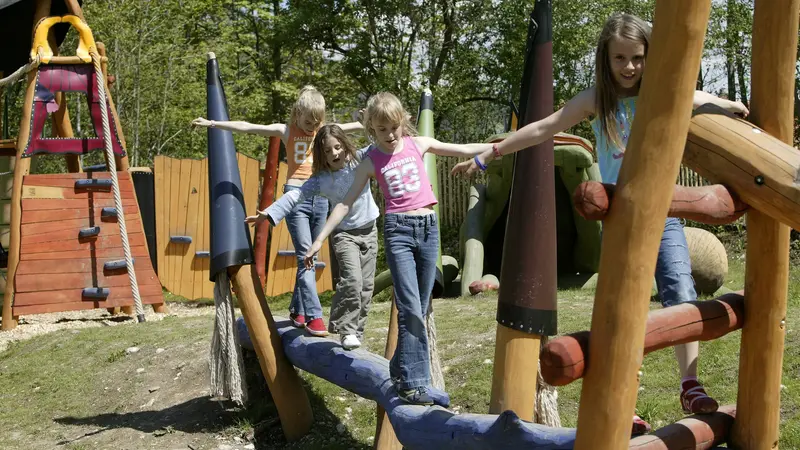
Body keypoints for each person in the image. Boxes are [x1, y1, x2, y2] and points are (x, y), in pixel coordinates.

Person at [452, 13, 748, 432]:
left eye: (638, 57)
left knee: (681, 293)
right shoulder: (597, 100)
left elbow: (696, 97)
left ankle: (690, 384)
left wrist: (730, 105)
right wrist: (489, 154)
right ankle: (622, 396)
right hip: (621, 218)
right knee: (620, 309)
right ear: (605, 60)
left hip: (666, 213)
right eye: (620, 58)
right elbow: (545, 127)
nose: (629, 67)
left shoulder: (662, 90)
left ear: (651, 56)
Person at [305, 92, 492, 405]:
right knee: (409, 308)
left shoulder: (418, 144)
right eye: (381, 130)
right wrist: (319, 238)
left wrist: (495, 149)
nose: (389, 135)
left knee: (421, 305)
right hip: (398, 232)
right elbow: (345, 203)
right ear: (372, 131)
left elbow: (463, 148)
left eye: (393, 127)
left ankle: (400, 369)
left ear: (402, 122)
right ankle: (415, 385)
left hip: (428, 229)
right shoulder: (371, 160)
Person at [193, 86, 363, 336]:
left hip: (321, 199)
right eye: (308, 121)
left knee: (310, 258)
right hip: (296, 198)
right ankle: (315, 317)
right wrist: (213, 123)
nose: (312, 126)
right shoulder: (286, 131)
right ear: (297, 113)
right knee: (305, 256)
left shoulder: (322, 133)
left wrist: (363, 121)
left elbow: (353, 127)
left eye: (318, 121)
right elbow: (248, 126)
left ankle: (297, 310)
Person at [247, 124, 379, 347]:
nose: (334, 153)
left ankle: (357, 330)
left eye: (337, 147)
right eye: (328, 151)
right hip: (344, 234)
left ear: (345, 145)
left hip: (370, 230)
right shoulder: (321, 179)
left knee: (366, 287)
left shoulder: (360, 160)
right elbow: (295, 196)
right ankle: (346, 330)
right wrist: (269, 213)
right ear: (321, 155)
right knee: (353, 281)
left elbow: (382, 143)